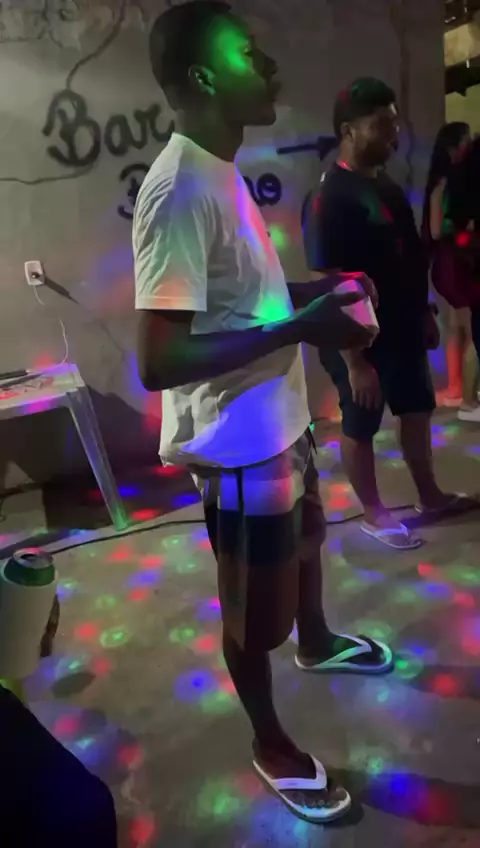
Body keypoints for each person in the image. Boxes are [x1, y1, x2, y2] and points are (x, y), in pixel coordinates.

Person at [134, 3, 393, 824]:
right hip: (239, 446)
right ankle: (271, 742)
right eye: (248, 53)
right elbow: (159, 360)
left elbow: (244, 302)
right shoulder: (177, 190)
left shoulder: (220, 168)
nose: (269, 64)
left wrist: (321, 293)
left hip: (279, 420)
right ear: (204, 77)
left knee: (308, 551)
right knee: (254, 612)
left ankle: (317, 643)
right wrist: (302, 327)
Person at [303, 77, 478, 551]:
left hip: (403, 327)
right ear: (348, 131)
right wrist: (356, 362)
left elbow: (410, 258)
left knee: (416, 409)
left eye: (394, 123)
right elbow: (331, 283)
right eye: (381, 125)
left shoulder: (387, 186)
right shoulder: (328, 196)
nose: (394, 134)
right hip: (358, 338)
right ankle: (374, 513)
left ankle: (430, 496)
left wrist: (423, 312)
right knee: (360, 423)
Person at [422, 122, 480, 421]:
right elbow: (435, 229)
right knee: (472, 329)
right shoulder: (445, 183)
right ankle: (470, 401)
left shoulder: (444, 181)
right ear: (453, 147)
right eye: (465, 142)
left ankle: (460, 389)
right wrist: (461, 229)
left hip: (448, 264)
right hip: (453, 263)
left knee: (460, 326)